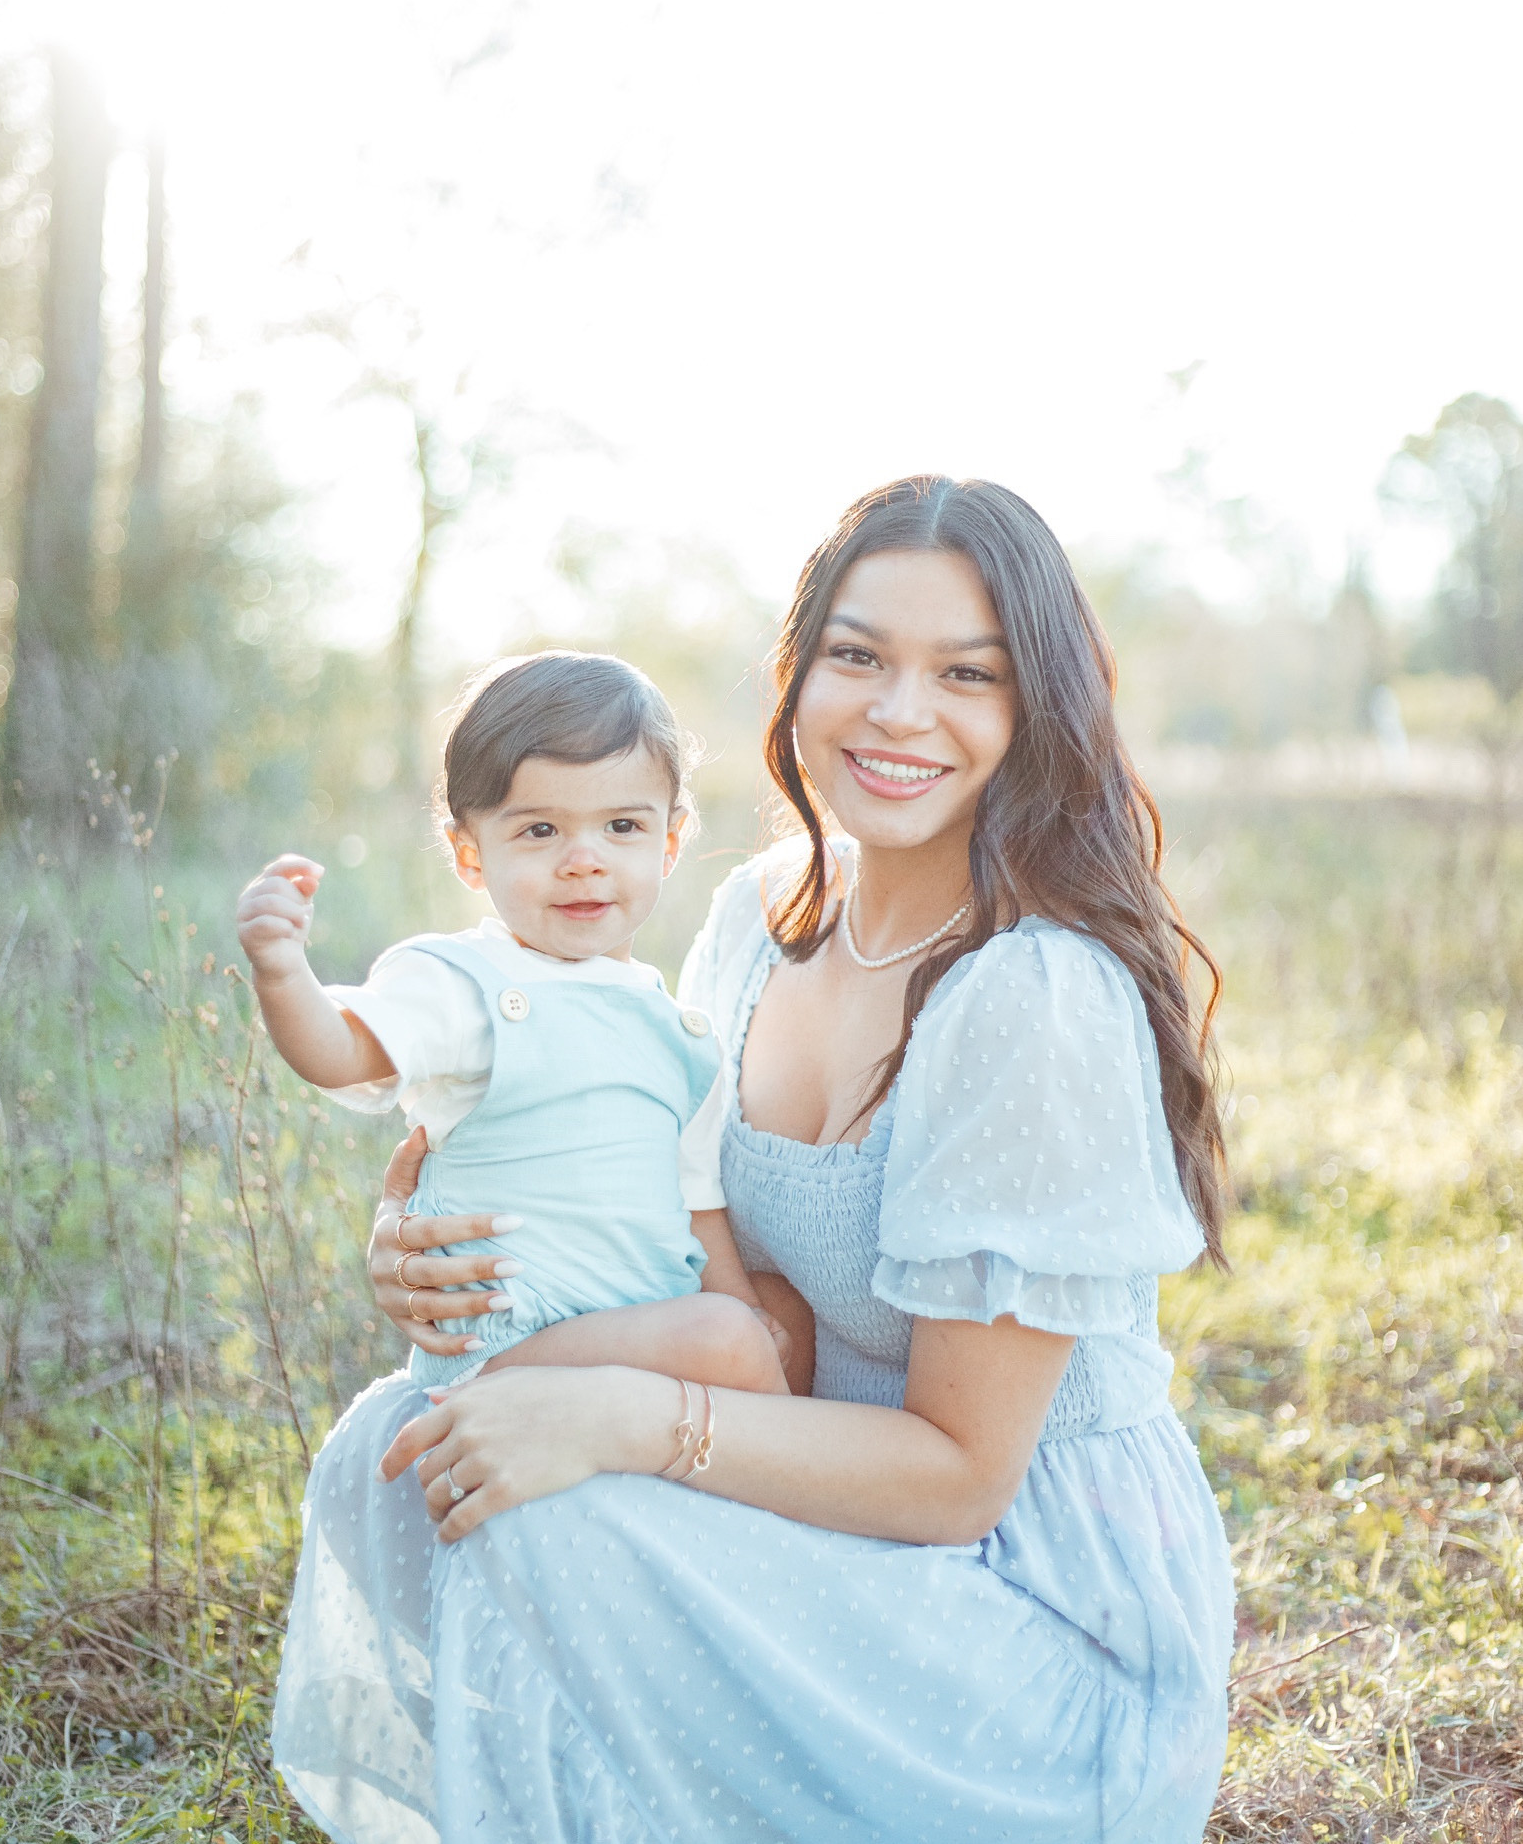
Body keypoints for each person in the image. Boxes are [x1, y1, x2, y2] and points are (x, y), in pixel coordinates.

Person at [272, 476, 1236, 1844]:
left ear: (1035, 708)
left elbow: (960, 1471)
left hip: (1023, 1620)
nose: (898, 714)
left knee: (548, 1505)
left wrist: (625, 1421)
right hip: (802, 1491)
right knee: (410, 1443)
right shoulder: (755, 914)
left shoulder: (1030, 996)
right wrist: (427, 1232)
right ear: (797, 672)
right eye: (857, 655)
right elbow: (690, 1240)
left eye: (966, 674)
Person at [235, 651, 788, 1402]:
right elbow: (339, 1053)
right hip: (508, 1346)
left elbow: (697, 1207)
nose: (583, 860)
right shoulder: (463, 981)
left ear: (669, 841)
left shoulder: (679, 1035)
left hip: (637, 1344)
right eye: (539, 831)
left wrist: (749, 1317)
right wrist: (280, 970)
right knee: (726, 1342)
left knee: (757, 1331)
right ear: (469, 852)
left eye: (621, 825)